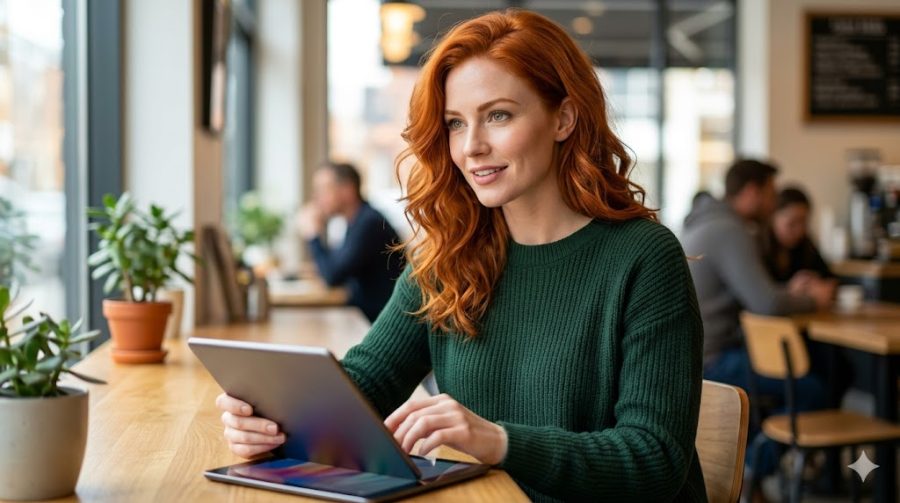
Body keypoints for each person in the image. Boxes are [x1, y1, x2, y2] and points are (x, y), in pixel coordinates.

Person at [219, 10, 706, 502]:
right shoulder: (450, 250)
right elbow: (369, 380)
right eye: (455, 123)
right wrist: (272, 419)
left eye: (498, 115)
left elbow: (654, 459)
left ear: (563, 118)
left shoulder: (644, 257)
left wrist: (497, 441)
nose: (472, 147)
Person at [680, 160, 834, 488]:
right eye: (770, 193)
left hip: (694, 355)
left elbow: (758, 294)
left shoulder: (703, 223)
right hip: (714, 360)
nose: (773, 201)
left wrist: (787, 292)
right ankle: (749, 470)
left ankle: (754, 465)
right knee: (814, 390)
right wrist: (814, 299)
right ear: (752, 192)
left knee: (808, 375)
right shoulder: (730, 230)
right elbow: (766, 304)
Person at [297, 162, 404, 322]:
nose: (317, 199)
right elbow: (336, 265)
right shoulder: (355, 221)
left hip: (380, 323)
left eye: (323, 190)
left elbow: (332, 276)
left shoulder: (369, 223)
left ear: (348, 190)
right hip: (367, 317)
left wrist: (313, 235)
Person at [762, 186, 836, 284]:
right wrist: (791, 290)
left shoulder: (805, 244)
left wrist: (818, 283)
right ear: (773, 217)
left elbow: (830, 278)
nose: (799, 230)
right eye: (792, 224)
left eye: (804, 223)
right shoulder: (758, 248)